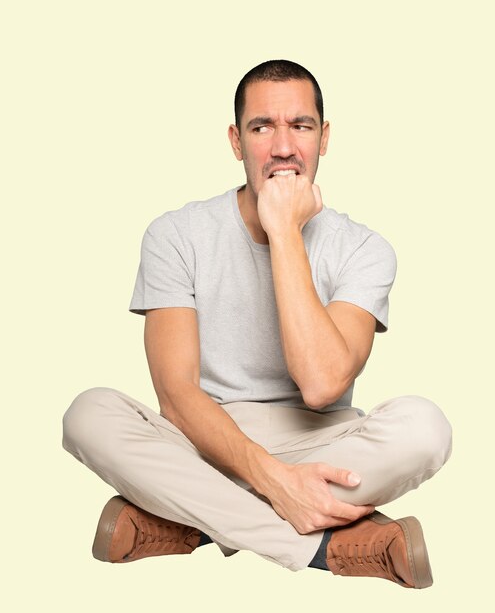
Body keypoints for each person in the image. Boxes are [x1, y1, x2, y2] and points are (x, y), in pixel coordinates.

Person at [62, 59, 452, 589]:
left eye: (302, 126)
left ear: (325, 137)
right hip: (204, 439)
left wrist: (284, 231)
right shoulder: (176, 233)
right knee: (89, 414)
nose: (284, 146)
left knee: (425, 428)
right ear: (236, 141)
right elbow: (176, 396)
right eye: (262, 127)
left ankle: (190, 524)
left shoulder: (364, 249)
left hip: (320, 438)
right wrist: (275, 481)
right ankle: (321, 548)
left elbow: (321, 385)